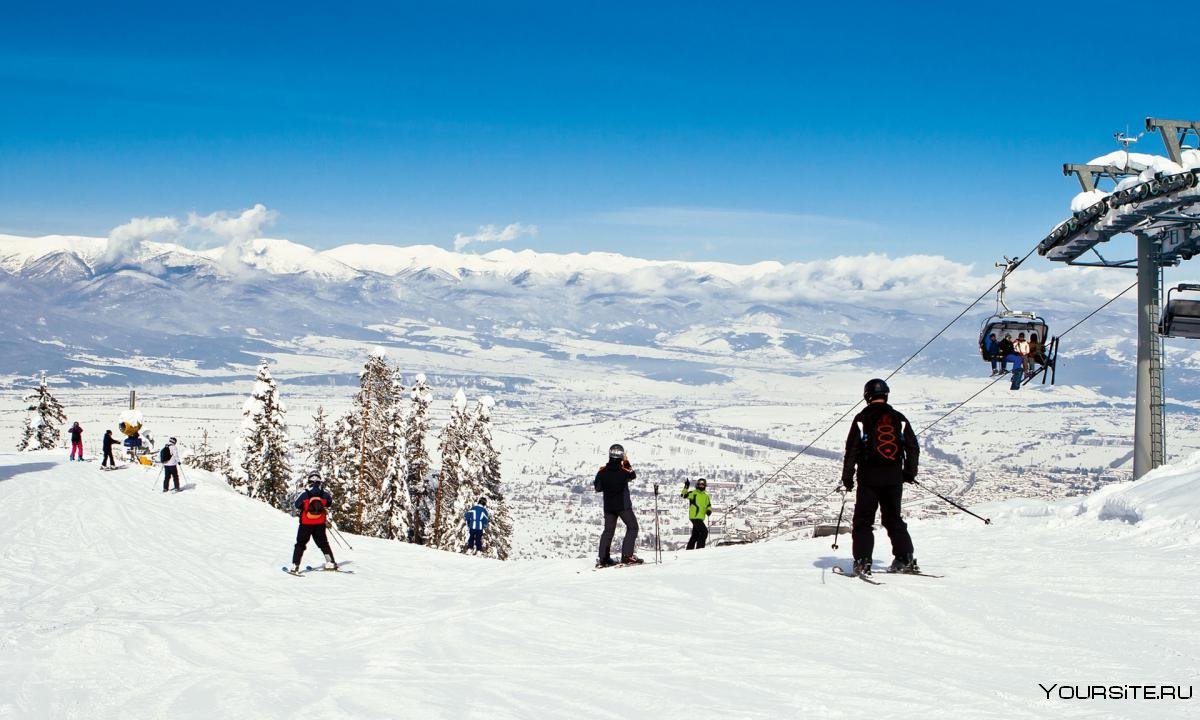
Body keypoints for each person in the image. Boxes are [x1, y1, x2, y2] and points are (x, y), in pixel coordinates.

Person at [840, 378, 920, 575]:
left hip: (869, 478)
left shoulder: (861, 419)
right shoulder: (899, 419)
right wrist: (908, 473)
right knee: (893, 518)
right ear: (886, 394)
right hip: (894, 477)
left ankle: (863, 561)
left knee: (863, 521)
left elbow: (852, 450)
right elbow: (912, 447)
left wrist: (847, 478)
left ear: (867, 396)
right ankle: (905, 558)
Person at [594, 443, 642, 566]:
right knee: (632, 527)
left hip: (608, 507)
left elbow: (598, 488)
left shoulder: (602, 471)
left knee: (608, 531)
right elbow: (633, 475)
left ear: (610, 454)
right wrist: (626, 461)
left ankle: (603, 559)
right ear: (621, 456)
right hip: (623, 506)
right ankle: (627, 556)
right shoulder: (624, 470)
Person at [290, 472, 337, 573]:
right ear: (320, 482)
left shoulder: (304, 493)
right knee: (323, 543)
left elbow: (297, 504)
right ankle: (331, 562)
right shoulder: (324, 493)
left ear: (309, 481)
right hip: (319, 523)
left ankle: (295, 565)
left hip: (306, 523)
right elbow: (329, 502)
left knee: (300, 544)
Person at [680, 478, 713, 549]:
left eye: (703, 485)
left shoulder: (706, 496)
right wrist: (686, 487)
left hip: (701, 517)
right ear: (697, 485)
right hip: (694, 517)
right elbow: (683, 495)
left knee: (695, 535)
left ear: (705, 486)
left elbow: (708, 505)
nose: (701, 486)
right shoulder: (693, 493)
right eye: (700, 485)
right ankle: (700, 549)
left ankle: (689, 549)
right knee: (704, 532)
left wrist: (709, 510)